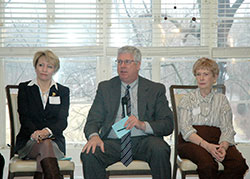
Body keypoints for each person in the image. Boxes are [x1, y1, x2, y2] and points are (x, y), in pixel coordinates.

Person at [80, 45, 174, 179]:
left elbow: (167, 124)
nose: (122, 66)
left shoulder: (155, 89)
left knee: (160, 149)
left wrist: (142, 125)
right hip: (113, 142)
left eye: (127, 62)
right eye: (119, 62)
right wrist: (94, 136)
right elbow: (92, 120)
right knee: (90, 153)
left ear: (138, 65)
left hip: (144, 141)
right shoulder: (105, 88)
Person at [177, 57, 249, 179]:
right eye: (198, 74)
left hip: (218, 139)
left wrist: (223, 147)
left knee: (238, 164)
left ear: (214, 78)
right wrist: (207, 146)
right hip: (191, 141)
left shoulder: (222, 100)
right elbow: (185, 129)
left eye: (206, 74)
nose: (201, 78)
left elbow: (227, 128)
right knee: (208, 164)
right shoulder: (187, 99)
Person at [16, 50, 70, 179]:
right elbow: (24, 117)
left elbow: (62, 121)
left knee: (45, 146)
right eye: (41, 65)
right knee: (45, 145)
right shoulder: (25, 88)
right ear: (35, 66)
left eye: (49, 66)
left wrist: (46, 132)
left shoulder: (63, 91)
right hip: (29, 141)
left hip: (55, 142)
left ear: (54, 70)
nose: (44, 69)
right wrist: (36, 133)